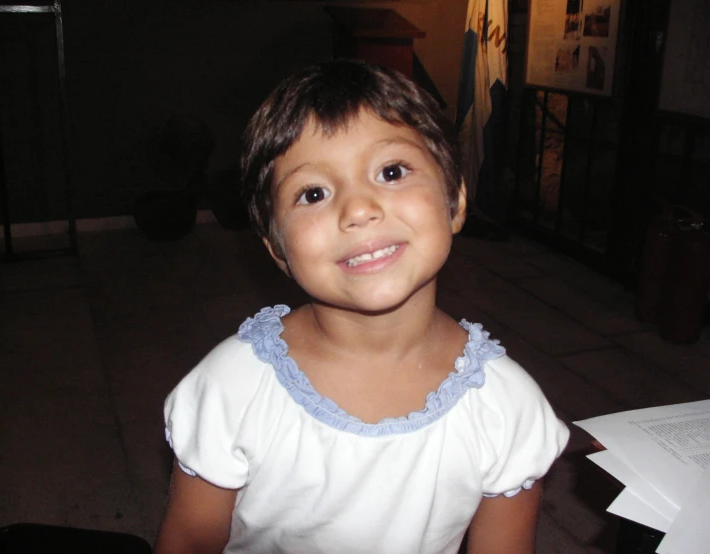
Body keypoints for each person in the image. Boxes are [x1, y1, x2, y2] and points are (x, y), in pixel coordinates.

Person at [154, 59, 569, 554]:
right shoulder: (233, 388)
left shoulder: (507, 408)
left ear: (456, 201)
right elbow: (188, 540)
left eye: (391, 172)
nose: (358, 209)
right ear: (276, 248)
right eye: (314, 193)